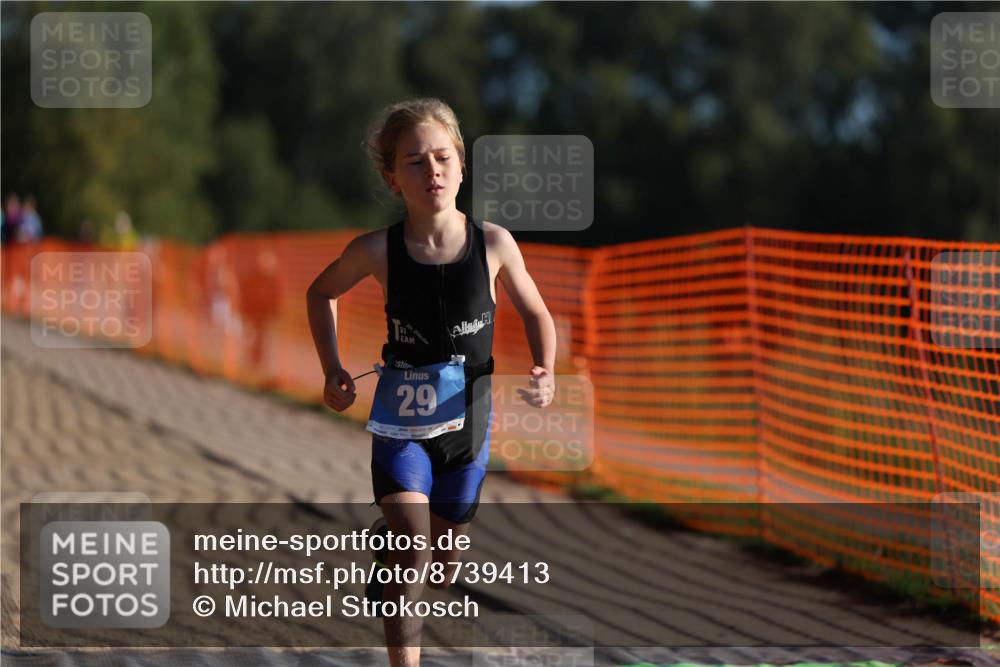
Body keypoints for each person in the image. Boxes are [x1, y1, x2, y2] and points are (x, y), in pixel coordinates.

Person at [306, 98, 556, 667]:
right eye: (415, 162)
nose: (432, 171)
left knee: (440, 567)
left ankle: (389, 542)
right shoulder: (376, 250)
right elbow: (320, 293)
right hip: (402, 423)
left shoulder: (494, 243)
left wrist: (547, 370)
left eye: (442, 157)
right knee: (414, 552)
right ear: (393, 180)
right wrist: (332, 369)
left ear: (462, 166)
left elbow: (537, 313)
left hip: (468, 427)